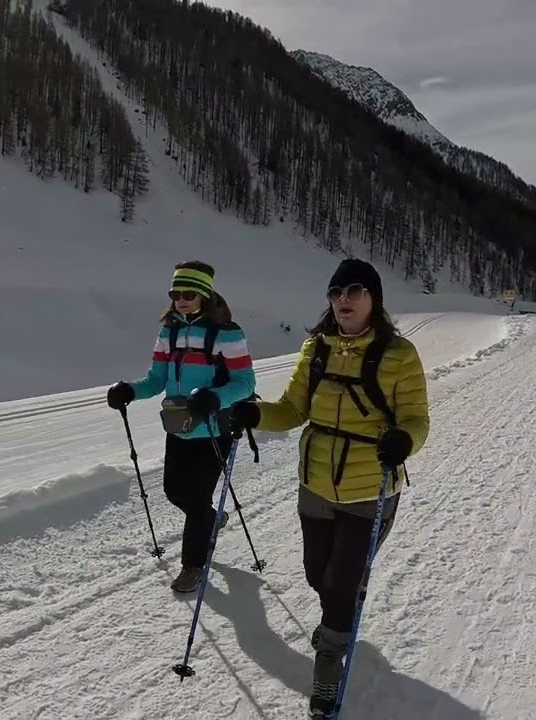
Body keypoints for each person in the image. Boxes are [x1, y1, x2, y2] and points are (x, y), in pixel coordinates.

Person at [228, 258, 430, 717]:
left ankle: (328, 670)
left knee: (339, 584)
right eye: (336, 291)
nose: (343, 299)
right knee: (317, 574)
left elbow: (417, 420)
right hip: (315, 482)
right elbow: (293, 410)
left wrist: (403, 440)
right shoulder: (315, 349)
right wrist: (254, 414)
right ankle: (340, 612)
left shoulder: (399, 355)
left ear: (374, 299)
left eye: (354, 290)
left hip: (369, 490)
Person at [106, 261, 257, 594]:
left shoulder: (228, 333)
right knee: (176, 492)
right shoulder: (168, 331)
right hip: (179, 428)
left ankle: (193, 566)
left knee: (198, 496)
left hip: (215, 430)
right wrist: (130, 390)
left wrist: (215, 397)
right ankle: (212, 518)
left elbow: (245, 383)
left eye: (189, 293)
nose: (181, 299)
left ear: (203, 294)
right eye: (176, 293)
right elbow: (156, 379)